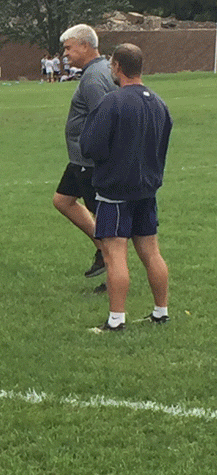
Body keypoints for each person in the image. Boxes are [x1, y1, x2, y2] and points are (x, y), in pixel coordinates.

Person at [80, 44, 172, 332]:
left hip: (116, 190)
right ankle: (161, 311)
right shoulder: (159, 103)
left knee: (113, 253)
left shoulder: (112, 103)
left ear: (117, 66)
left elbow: (91, 146)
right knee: (151, 252)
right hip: (147, 189)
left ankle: (116, 320)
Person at [52, 24, 117, 289]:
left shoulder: (92, 79)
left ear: (85, 46)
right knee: (62, 200)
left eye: (69, 48)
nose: (66, 54)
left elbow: (104, 119)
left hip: (89, 161)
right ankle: (102, 250)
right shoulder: (101, 70)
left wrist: (100, 158)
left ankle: (113, 271)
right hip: (79, 159)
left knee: (104, 221)